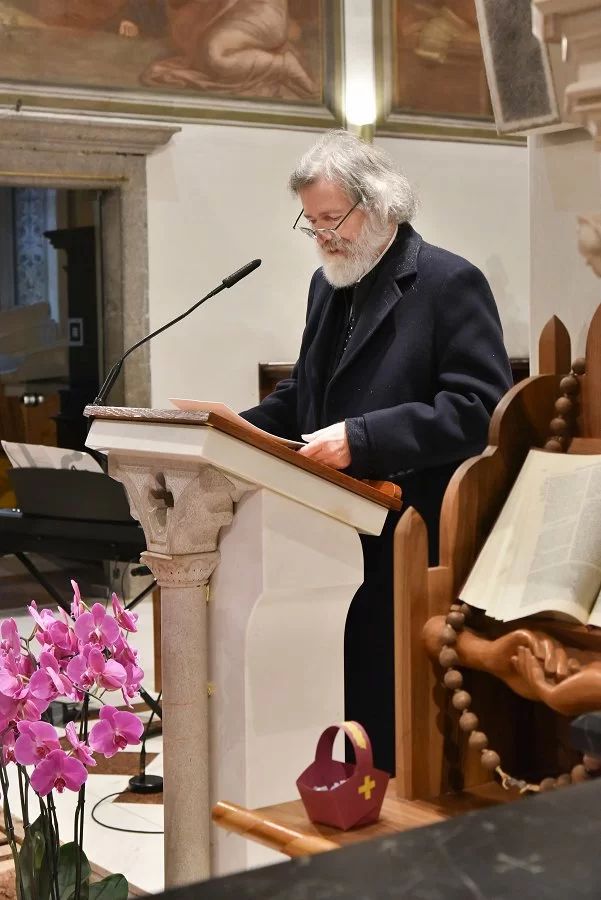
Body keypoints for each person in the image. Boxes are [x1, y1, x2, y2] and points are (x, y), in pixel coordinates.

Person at [240, 130, 513, 773]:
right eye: (311, 222)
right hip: (327, 534)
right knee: (337, 700)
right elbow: (304, 394)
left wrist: (361, 439)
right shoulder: (327, 284)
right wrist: (226, 432)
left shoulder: (448, 282)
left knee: (386, 708)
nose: (321, 236)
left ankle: (391, 807)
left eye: (332, 219)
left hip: (410, 534)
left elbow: (478, 408)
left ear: (380, 205)